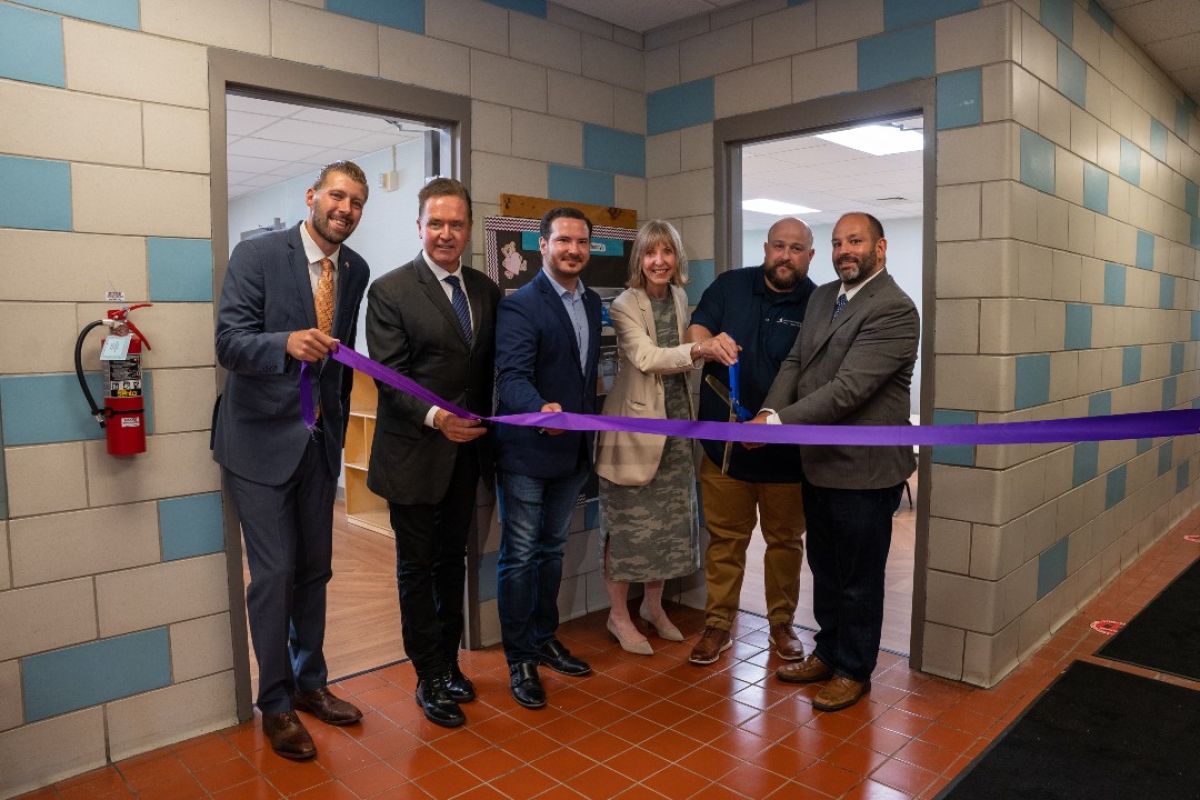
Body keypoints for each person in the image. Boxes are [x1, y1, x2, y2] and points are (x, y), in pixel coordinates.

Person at [213, 161, 369, 759]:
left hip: (318, 444)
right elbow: (227, 342)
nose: (346, 209)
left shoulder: (355, 270)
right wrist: (284, 344)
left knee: (314, 573)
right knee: (274, 576)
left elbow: (344, 361)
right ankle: (275, 704)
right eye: (337, 195)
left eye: (357, 202)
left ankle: (311, 684)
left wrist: (334, 430)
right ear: (312, 197)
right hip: (257, 445)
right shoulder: (256, 257)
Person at [755, 212, 919, 712]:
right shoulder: (823, 296)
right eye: (836, 242)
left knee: (858, 577)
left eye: (855, 241)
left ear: (880, 247)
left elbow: (848, 391)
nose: (844, 250)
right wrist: (767, 409)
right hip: (819, 463)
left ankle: (853, 669)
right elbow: (796, 363)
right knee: (824, 568)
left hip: (865, 471)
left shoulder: (894, 309)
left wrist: (777, 426)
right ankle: (827, 653)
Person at [365, 178, 500, 728]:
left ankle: (448, 661)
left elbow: (489, 371)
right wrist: (437, 417)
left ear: (469, 229)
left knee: (453, 563)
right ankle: (427, 676)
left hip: (468, 458)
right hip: (415, 455)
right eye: (436, 223)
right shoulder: (390, 291)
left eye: (457, 224)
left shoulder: (487, 291)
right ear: (419, 226)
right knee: (416, 569)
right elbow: (389, 378)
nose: (447, 234)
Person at [594, 220, 737, 655]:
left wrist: (702, 350)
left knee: (670, 528)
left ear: (677, 259)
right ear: (639, 259)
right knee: (629, 528)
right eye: (651, 253)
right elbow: (646, 357)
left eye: (667, 253)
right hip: (635, 433)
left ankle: (653, 609)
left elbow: (679, 361)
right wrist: (699, 349)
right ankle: (618, 616)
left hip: (677, 430)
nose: (659, 261)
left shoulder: (678, 297)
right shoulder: (623, 303)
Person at [685, 218, 817, 666]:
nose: (785, 255)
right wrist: (707, 345)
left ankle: (782, 623)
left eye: (796, 248)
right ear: (766, 247)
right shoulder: (730, 286)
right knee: (725, 541)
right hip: (723, 451)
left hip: (787, 455)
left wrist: (773, 420)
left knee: (785, 542)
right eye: (778, 245)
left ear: (810, 255)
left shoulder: (820, 303)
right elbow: (695, 332)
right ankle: (718, 624)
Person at [494, 207, 602, 708]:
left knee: (552, 551)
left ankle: (543, 638)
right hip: (528, 454)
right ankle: (519, 658)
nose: (573, 250)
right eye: (563, 241)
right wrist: (538, 407)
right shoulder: (521, 305)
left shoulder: (593, 301)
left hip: (573, 455)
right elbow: (510, 378)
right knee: (519, 556)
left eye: (581, 242)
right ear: (543, 245)